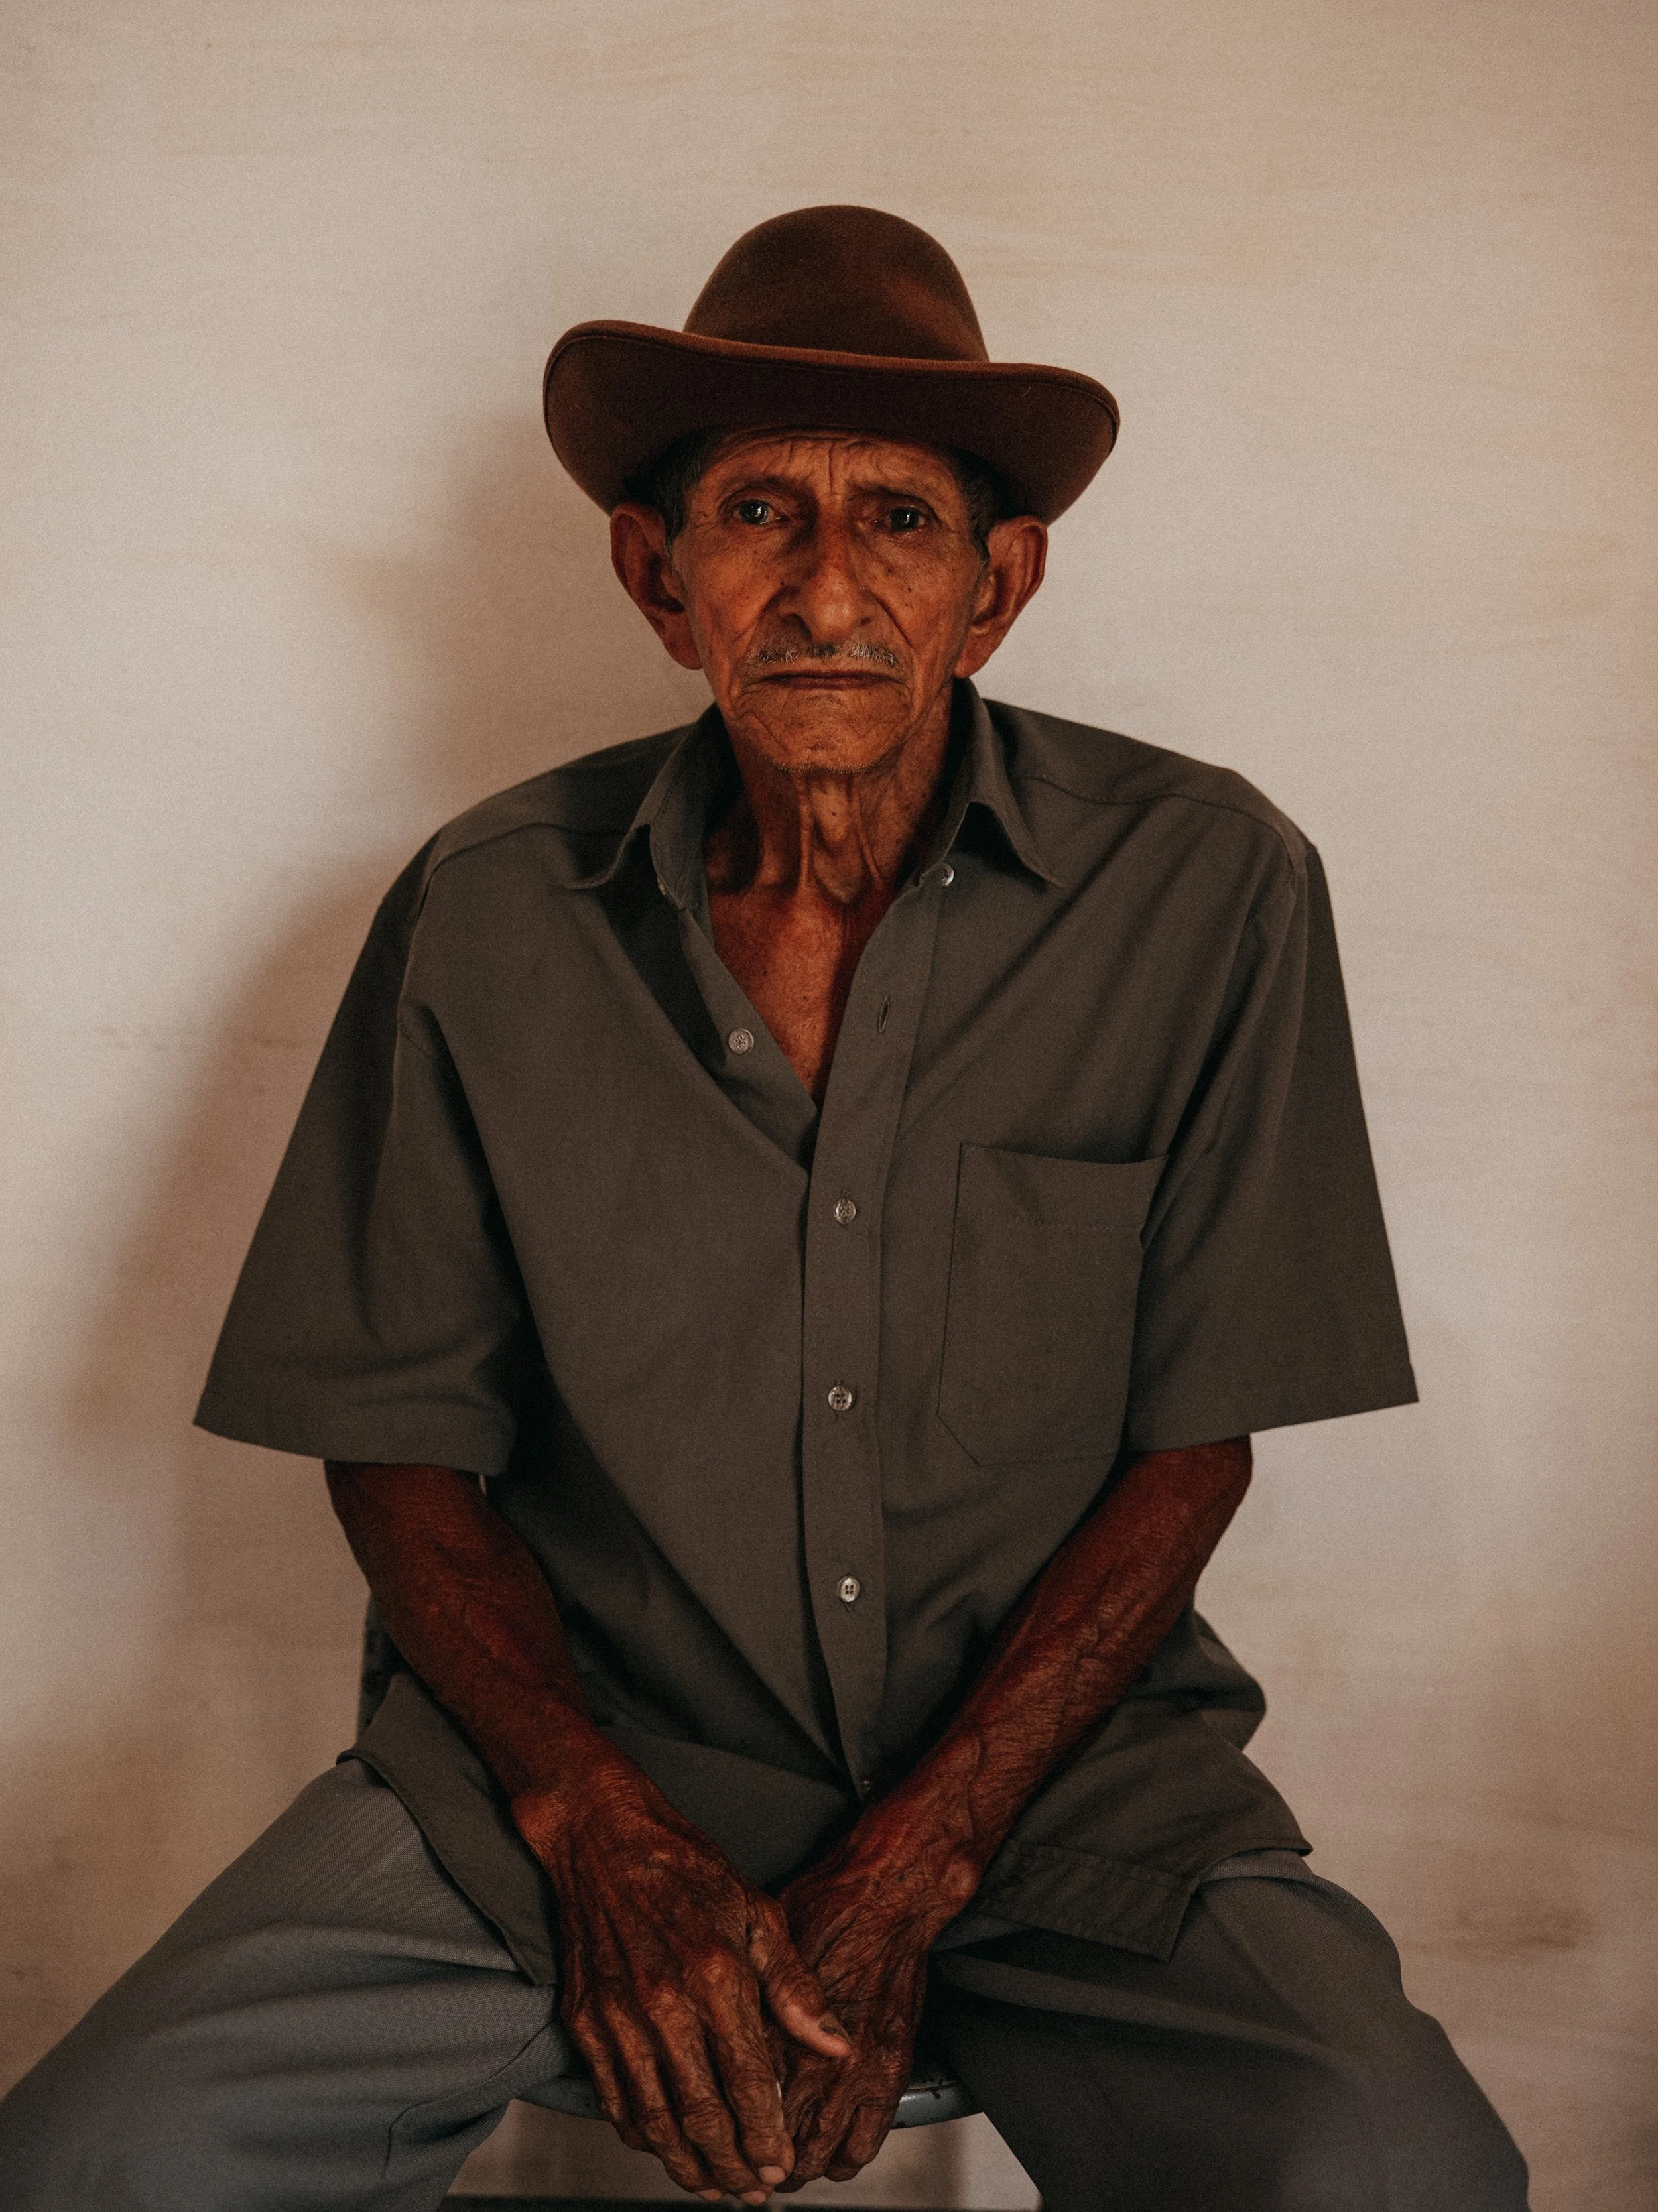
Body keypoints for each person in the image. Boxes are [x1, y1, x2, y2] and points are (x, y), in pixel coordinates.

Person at [0, 205, 1528, 2212]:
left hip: (1057, 1786)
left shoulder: (1206, 887)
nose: (825, 589)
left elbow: (1193, 1445)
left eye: (897, 518)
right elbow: (395, 1443)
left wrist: (922, 1856)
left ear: (995, 587)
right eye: (756, 515)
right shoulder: (488, 911)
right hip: (569, 1786)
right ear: (659, 576)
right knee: (100, 2161)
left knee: (1396, 2169)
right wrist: (596, 1825)